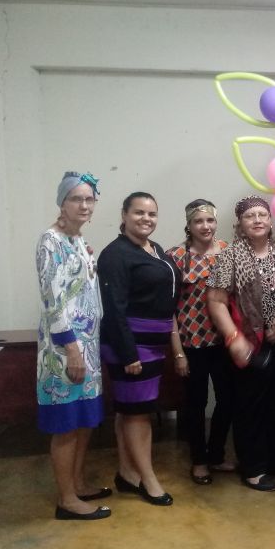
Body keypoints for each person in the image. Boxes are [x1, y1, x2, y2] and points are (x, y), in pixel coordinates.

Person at [206, 195, 275, 492]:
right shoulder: (231, 255)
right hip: (248, 342)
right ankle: (254, 467)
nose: (257, 220)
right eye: (250, 216)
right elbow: (216, 300)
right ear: (240, 224)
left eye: (262, 215)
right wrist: (234, 338)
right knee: (251, 407)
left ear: (271, 220)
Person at [36, 171, 110, 520]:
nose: (83, 205)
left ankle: (78, 483)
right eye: (75, 199)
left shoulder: (79, 240)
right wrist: (72, 349)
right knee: (66, 422)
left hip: (88, 345)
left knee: (84, 419)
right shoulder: (50, 241)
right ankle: (66, 499)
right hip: (64, 349)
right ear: (61, 203)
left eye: (89, 199)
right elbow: (53, 301)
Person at [98, 191, 179, 507]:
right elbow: (114, 308)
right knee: (139, 416)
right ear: (124, 215)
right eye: (139, 213)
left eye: (152, 214)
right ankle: (149, 480)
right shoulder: (115, 254)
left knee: (128, 412)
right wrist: (128, 353)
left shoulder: (155, 249)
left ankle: (128, 474)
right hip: (131, 346)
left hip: (153, 344)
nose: (146, 219)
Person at [166, 199, 234, 485]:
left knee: (228, 401)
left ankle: (216, 454)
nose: (205, 226)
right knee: (195, 404)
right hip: (191, 344)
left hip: (223, 342)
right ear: (189, 225)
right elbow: (167, 309)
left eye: (209, 221)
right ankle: (198, 460)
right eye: (198, 222)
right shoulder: (175, 257)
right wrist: (178, 352)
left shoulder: (228, 252)